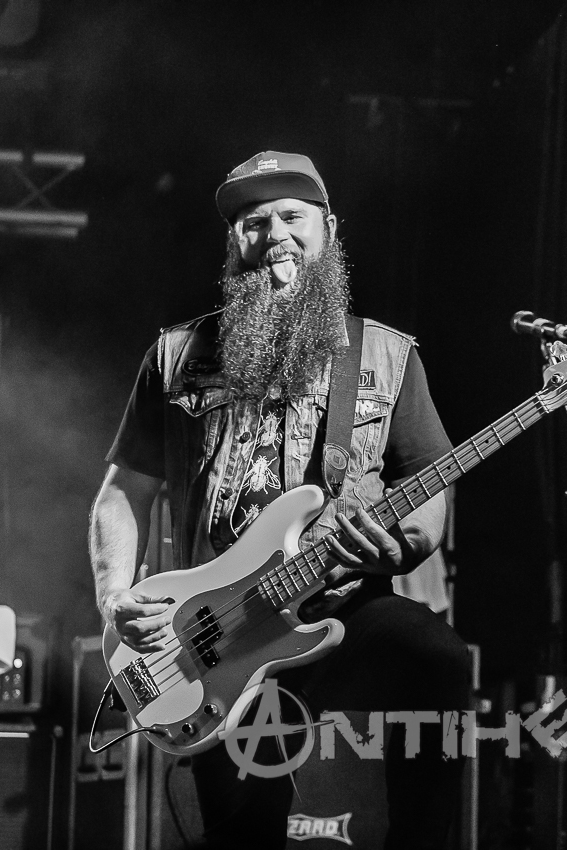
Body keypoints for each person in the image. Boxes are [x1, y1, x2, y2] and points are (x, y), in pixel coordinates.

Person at [89, 150, 471, 849]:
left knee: (435, 659)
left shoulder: (385, 356)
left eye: (292, 216)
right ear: (234, 242)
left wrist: (402, 546)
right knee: (240, 826)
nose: (274, 236)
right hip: (216, 628)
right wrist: (115, 598)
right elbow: (122, 492)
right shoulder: (175, 357)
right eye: (254, 223)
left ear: (329, 229)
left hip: (340, 606)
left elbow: (428, 484)